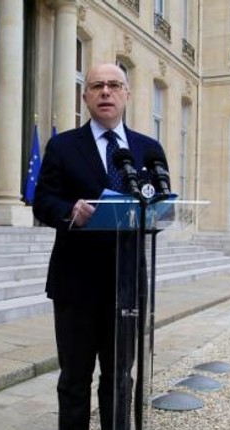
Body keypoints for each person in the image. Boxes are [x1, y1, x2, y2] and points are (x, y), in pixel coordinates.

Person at [32, 63, 169, 430]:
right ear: (85, 96)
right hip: (75, 283)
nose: (105, 92)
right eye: (97, 86)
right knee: (75, 380)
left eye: (113, 85)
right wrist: (70, 211)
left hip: (126, 285)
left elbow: (162, 200)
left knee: (120, 378)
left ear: (127, 93)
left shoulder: (148, 149)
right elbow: (42, 200)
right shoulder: (62, 146)